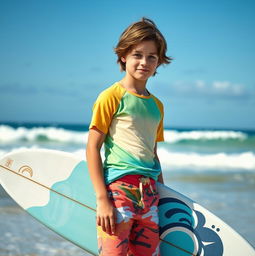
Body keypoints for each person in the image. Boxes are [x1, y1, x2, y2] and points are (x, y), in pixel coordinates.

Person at [86, 17, 171, 256]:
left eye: (152, 56)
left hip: (151, 194)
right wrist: (102, 199)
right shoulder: (110, 96)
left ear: (158, 61)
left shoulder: (157, 105)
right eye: (137, 55)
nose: (144, 62)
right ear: (123, 56)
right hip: (118, 192)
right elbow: (92, 148)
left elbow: (152, 153)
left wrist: (164, 195)